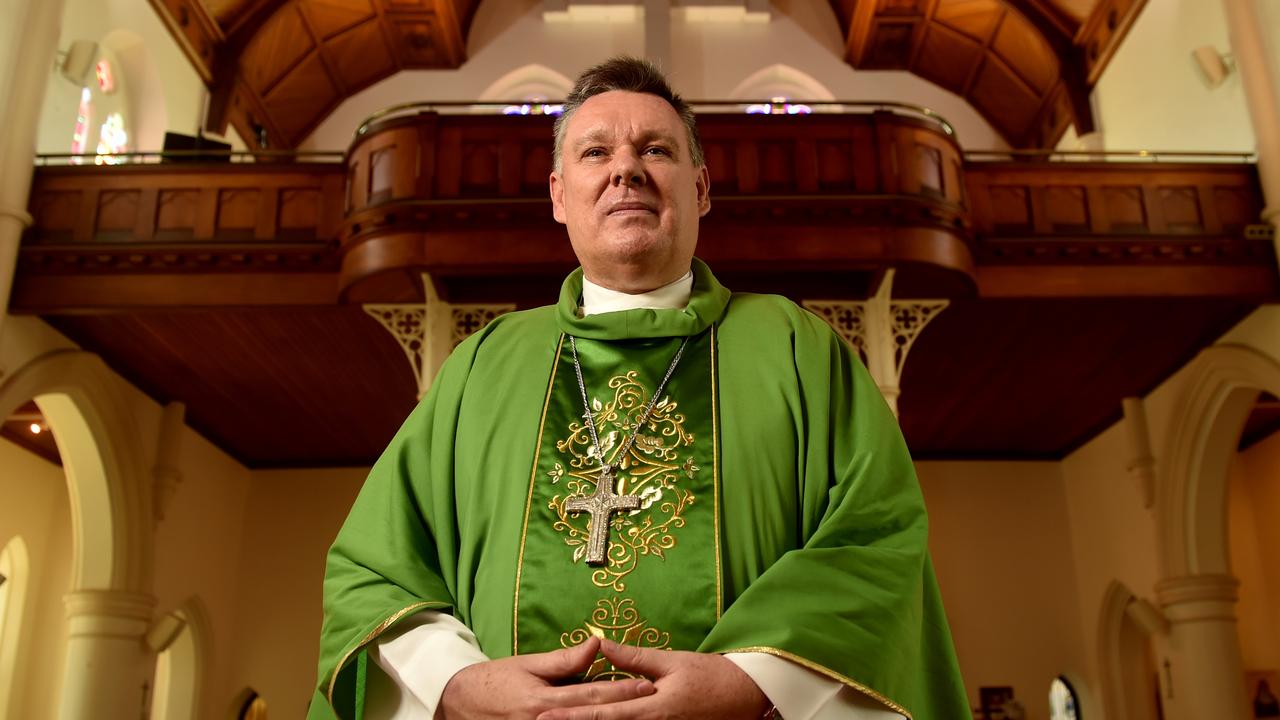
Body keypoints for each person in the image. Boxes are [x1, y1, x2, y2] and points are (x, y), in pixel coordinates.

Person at [309, 57, 970, 720]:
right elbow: (375, 569)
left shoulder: (800, 348)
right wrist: (454, 685)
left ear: (702, 188)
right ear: (559, 195)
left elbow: (876, 538)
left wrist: (753, 680)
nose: (626, 169)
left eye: (656, 149)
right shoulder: (482, 363)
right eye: (596, 151)